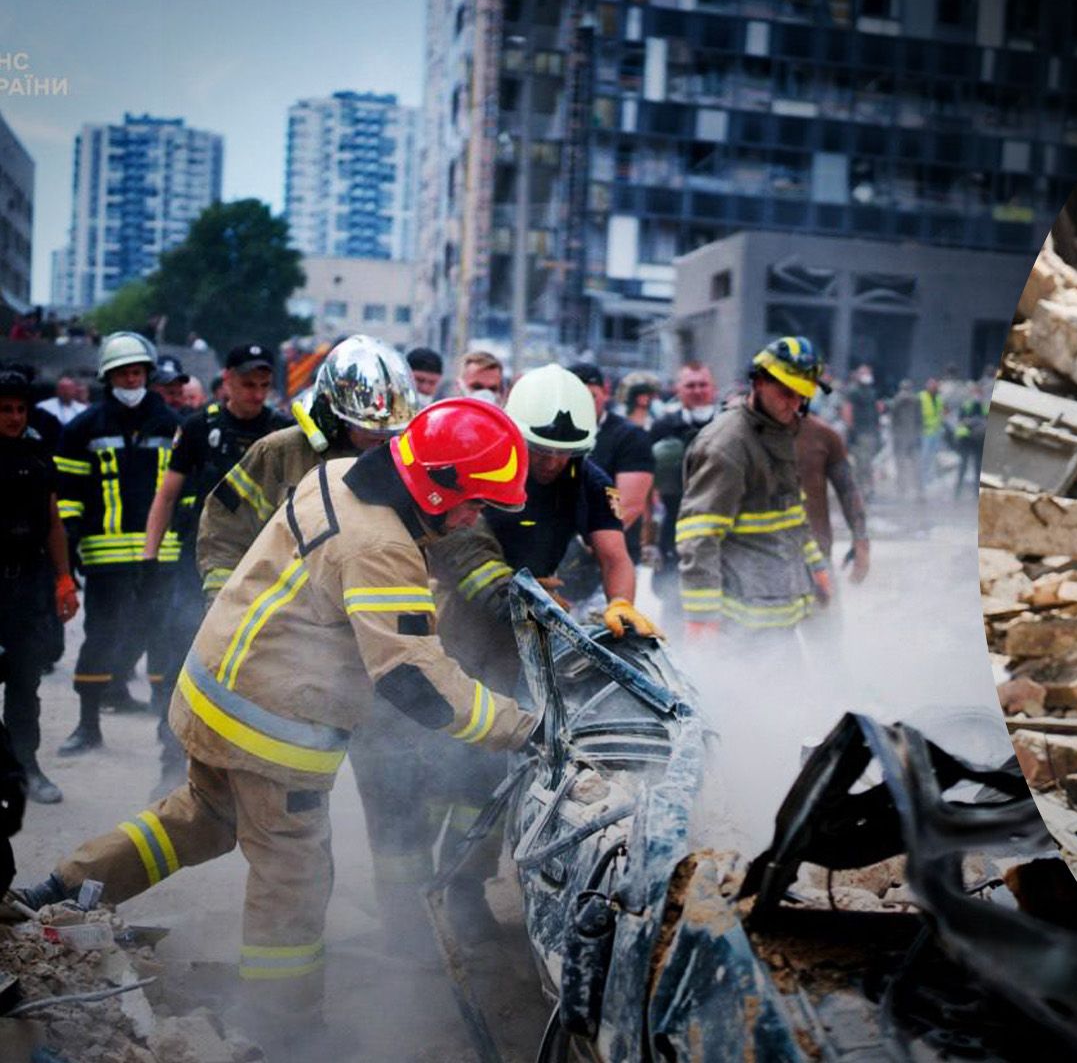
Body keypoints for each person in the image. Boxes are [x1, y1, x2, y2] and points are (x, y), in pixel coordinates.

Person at [17, 398, 537, 1042]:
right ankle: (284, 1026)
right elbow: (412, 677)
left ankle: (61, 888)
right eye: (476, 501)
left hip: (215, 692)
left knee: (199, 819)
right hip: (273, 730)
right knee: (295, 877)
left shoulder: (339, 475)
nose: (476, 516)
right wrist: (520, 728)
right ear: (438, 486)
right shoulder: (382, 548)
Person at [354, 365, 653, 946]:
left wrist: (621, 605)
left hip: (527, 645)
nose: (548, 465)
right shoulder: (485, 463)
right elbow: (463, 550)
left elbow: (616, 555)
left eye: (562, 455)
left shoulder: (585, 478)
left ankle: (466, 894)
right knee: (430, 765)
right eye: (540, 451)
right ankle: (408, 913)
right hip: (461, 627)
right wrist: (521, 592)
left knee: (491, 776)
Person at [140, 344, 292, 793]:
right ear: (227, 380)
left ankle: (237, 772)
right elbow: (166, 496)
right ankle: (172, 763)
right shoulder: (197, 428)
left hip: (264, 568)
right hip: (198, 564)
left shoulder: (283, 433)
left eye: (264, 385)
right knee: (184, 661)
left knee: (257, 672)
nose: (257, 393)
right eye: (248, 384)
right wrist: (150, 557)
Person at [195, 337, 418, 602]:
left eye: (390, 431)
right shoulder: (280, 452)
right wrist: (223, 600)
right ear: (331, 414)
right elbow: (225, 530)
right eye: (366, 428)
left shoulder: (399, 461)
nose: (381, 440)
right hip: (278, 614)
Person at [54, 333, 182, 754]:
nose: (132, 379)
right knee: (100, 637)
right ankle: (87, 726)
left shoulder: (174, 426)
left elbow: (188, 492)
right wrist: (67, 554)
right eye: (124, 373)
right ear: (109, 377)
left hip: (161, 556)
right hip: (104, 556)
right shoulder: (82, 429)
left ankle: (168, 729)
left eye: (138, 372)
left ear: (148, 374)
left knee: (163, 637)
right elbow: (67, 496)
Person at [677, 338, 830, 638]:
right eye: (787, 392)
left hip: (778, 612)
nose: (795, 404)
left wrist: (817, 566)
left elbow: (791, 515)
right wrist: (701, 620)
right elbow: (699, 536)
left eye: (802, 395)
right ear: (759, 382)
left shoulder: (779, 432)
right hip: (740, 625)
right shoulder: (728, 446)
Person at [0, 368, 79, 804]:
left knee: (25, 681)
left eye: (19, 409)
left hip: (28, 583)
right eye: (5, 410)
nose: (13, 417)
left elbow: (53, 523)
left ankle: (25, 766)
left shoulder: (37, 455)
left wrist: (64, 578)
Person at [647, 362, 719, 608]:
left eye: (703, 384)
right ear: (679, 389)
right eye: (690, 385)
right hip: (675, 525)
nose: (697, 390)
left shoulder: (729, 425)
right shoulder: (662, 427)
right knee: (673, 598)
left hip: (722, 525)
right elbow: (647, 479)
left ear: (713, 388)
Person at [570, 361, 654, 563]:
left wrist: (586, 542)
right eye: (575, 398)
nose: (583, 405)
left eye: (590, 396)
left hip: (610, 551)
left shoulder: (630, 436)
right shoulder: (555, 433)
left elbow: (630, 504)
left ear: (605, 392)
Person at [795, 413, 871, 586]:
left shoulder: (822, 434)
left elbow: (847, 490)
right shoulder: (742, 434)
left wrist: (861, 541)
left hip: (817, 554)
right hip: (762, 560)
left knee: (826, 610)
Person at [839, 363, 882, 499]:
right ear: (858, 375)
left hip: (870, 433)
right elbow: (847, 410)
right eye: (864, 373)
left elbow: (876, 410)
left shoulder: (871, 391)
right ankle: (859, 490)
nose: (867, 376)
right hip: (859, 432)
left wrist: (877, 427)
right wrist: (851, 429)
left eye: (868, 373)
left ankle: (867, 489)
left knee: (868, 462)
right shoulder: (853, 391)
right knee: (861, 462)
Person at [950, 382, 987, 499]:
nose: (977, 395)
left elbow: (986, 420)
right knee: (963, 466)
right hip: (966, 440)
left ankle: (977, 494)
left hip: (978, 441)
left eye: (979, 393)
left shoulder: (984, 406)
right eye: (976, 393)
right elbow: (961, 421)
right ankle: (957, 493)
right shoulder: (966, 405)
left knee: (978, 468)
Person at [887, 378, 920, 501]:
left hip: (901, 437)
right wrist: (917, 434)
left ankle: (902, 489)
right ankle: (918, 490)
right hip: (912, 436)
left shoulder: (896, 400)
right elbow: (919, 419)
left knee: (901, 464)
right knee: (915, 464)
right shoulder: (916, 399)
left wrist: (894, 435)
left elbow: (893, 420)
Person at [916, 377, 945, 491]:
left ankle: (930, 480)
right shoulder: (921, 397)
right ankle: (922, 481)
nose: (933, 387)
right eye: (931, 385)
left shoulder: (938, 398)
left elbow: (940, 413)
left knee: (933, 457)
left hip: (936, 432)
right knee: (924, 457)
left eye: (935, 386)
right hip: (925, 432)